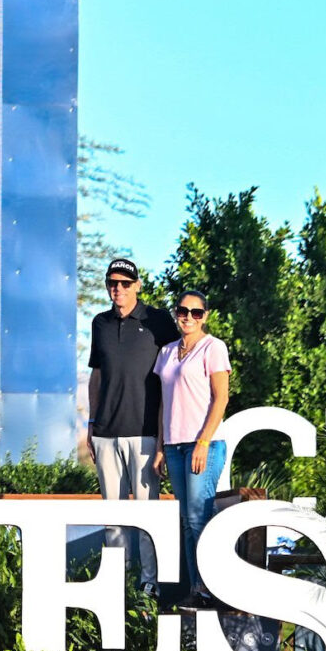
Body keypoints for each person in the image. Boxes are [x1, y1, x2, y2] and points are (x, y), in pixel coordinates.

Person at [86, 257, 178, 590]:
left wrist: (164, 437)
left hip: (145, 434)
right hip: (106, 433)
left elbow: (173, 375)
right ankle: (117, 587)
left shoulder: (159, 320)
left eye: (125, 283)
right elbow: (96, 376)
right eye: (113, 283)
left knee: (146, 517)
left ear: (137, 285)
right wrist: (91, 423)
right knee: (113, 518)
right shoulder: (99, 323)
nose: (118, 289)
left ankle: (149, 587)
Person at [152, 289, 232, 605]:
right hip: (174, 446)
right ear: (176, 313)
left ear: (205, 316)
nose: (188, 317)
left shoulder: (213, 348)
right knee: (187, 520)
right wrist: (161, 447)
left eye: (196, 312)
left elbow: (221, 398)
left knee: (199, 517)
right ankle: (197, 588)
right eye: (183, 311)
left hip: (203, 445)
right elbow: (164, 403)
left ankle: (212, 588)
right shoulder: (166, 352)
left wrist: (203, 442)